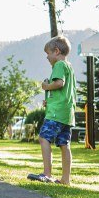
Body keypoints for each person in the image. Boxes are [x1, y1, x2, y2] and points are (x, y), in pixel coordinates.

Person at [29, 35, 76, 185]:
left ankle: (47, 174)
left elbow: (59, 83)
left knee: (44, 138)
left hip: (56, 113)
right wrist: (49, 101)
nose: (47, 57)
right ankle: (65, 179)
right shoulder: (69, 67)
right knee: (64, 144)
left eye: (47, 53)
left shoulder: (59, 65)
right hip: (66, 113)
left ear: (56, 51)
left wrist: (46, 86)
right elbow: (65, 92)